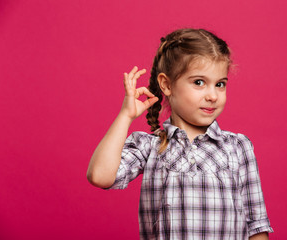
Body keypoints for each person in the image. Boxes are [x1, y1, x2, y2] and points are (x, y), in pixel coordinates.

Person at [87, 28, 273, 240]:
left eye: (220, 84)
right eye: (199, 82)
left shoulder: (238, 146)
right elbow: (100, 176)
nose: (213, 95)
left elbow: (257, 225)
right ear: (166, 84)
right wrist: (125, 116)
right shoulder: (148, 147)